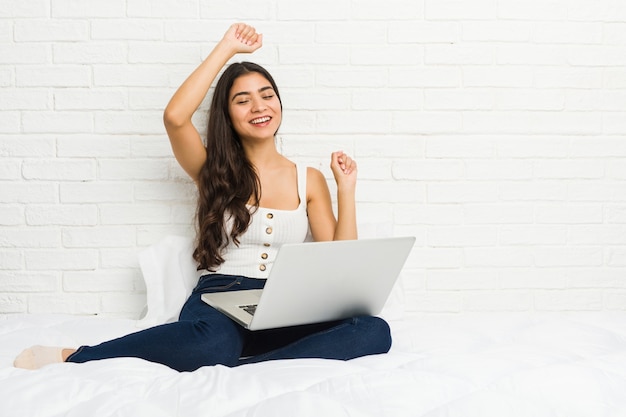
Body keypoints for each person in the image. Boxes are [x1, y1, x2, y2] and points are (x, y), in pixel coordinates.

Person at [14, 23, 392, 372]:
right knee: (211, 344)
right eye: (243, 100)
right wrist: (227, 48)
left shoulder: (308, 179)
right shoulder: (212, 169)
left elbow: (339, 267)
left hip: (285, 304)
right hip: (221, 299)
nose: (259, 106)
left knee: (374, 330)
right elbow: (175, 118)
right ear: (227, 115)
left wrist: (346, 189)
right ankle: (79, 355)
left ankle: (245, 366)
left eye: (266, 95)